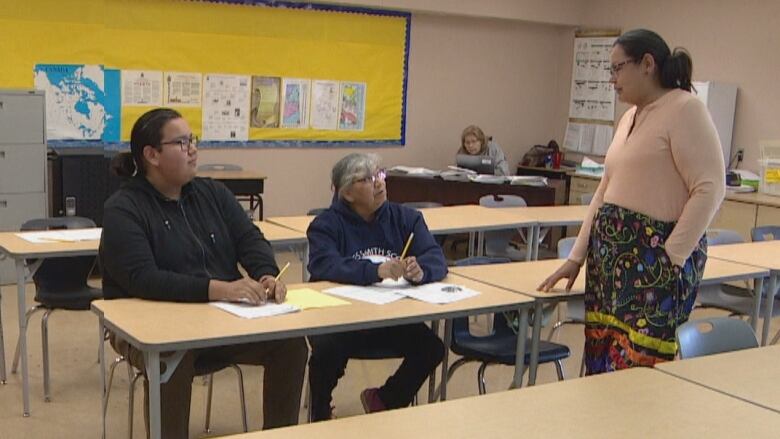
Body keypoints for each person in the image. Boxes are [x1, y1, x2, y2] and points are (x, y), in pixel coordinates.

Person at [100, 108, 307, 437]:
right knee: (173, 355)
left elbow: (249, 239)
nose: (193, 149)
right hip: (148, 326)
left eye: (192, 140)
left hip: (220, 319)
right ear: (152, 154)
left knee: (291, 343)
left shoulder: (213, 194)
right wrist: (221, 289)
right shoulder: (124, 209)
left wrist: (267, 273)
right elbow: (143, 279)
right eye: (181, 142)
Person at [538, 29, 725, 374]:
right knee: (602, 364)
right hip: (611, 268)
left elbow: (710, 188)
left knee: (640, 371)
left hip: (655, 267)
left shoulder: (686, 110)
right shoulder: (629, 117)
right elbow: (604, 190)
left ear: (648, 65)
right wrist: (577, 256)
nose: (612, 80)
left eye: (617, 69)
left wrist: (672, 256)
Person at [306, 152, 446, 421]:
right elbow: (325, 265)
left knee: (432, 348)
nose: (379, 183)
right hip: (342, 318)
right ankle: (320, 413)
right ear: (347, 193)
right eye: (368, 179)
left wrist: (421, 271)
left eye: (380, 174)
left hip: (389, 318)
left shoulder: (407, 218)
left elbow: (435, 257)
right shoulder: (325, 224)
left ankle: (384, 399)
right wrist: (375, 270)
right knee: (325, 351)